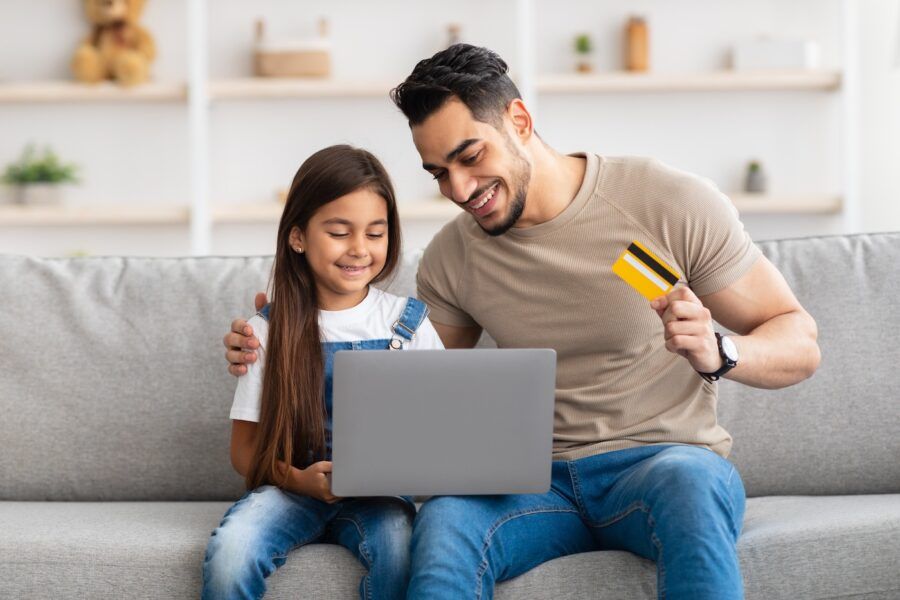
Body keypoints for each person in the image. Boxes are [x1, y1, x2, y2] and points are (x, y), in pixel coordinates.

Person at [223, 46, 821, 600]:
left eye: (470, 157)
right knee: (446, 521)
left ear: (520, 120)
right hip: (531, 485)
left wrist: (720, 349)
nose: (459, 190)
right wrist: (290, 327)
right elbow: (415, 400)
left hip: (662, 465)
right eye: (438, 173)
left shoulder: (666, 203)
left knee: (690, 483)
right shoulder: (454, 258)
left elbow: (798, 339)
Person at [203, 145, 444, 600]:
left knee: (400, 550)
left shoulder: (407, 324)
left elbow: (443, 431)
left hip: (381, 498)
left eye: (376, 233)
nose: (359, 249)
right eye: (339, 232)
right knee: (232, 553)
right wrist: (299, 479)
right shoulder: (265, 332)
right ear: (298, 237)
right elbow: (244, 452)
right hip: (289, 487)